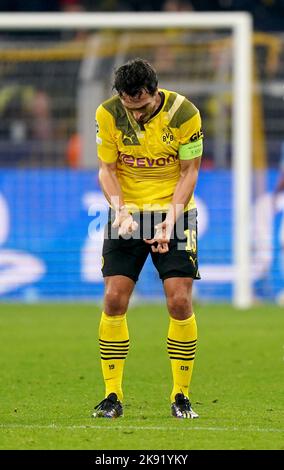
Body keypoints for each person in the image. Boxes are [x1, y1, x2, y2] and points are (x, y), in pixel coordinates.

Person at [92, 58, 203, 419]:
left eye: (141, 107)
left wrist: (170, 220)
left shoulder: (185, 114)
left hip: (175, 210)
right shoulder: (108, 114)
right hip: (127, 214)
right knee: (113, 299)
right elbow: (107, 170)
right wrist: (120, 211)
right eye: (129, 106)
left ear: (155, 93)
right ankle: (112, 395)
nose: (135, 114)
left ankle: (181, 395)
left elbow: (189, 172)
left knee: (179, 301)